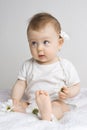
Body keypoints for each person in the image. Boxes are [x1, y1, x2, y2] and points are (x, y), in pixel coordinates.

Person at [11, 12, 80, 121]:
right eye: (34, 43)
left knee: (59, 107)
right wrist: (15, 100)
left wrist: (68, 92)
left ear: (59, 43)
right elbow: (20, 84)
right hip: (33, 102)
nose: (39, 48)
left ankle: (48, 114)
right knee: (22, 106)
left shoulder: (64, 65)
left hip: (56, 100)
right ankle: (41, 110)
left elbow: (76, 85)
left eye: (45, 42)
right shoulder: (28, 65)